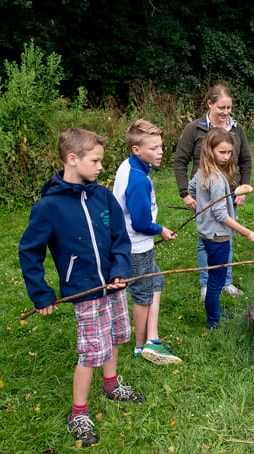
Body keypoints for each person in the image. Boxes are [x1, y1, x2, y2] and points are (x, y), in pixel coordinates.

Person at [18, 128, 145, 448]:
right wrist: (41, 293)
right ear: (72, 160)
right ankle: (79, 413)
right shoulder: (48, 207)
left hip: (113, 286)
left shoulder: (102, 196)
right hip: (84, 289)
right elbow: (29, 251)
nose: (101, 167)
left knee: (116, 335)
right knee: (91, 351)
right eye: (95, 160)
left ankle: (112, 384)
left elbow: (120, 237)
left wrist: (119, 269)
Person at [174, 84, 253, 300]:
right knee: (205, 240)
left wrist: (242, 188)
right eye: (221, 107)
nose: (226, 112)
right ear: (209, 104)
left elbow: (245, 160)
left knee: (226, 237)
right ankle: (206, 284)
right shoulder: (194, 129)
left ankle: (225, 281)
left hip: (230, 196)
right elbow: (180, 162)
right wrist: (185, 193)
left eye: (229, 108)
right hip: (204, 195)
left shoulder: (237, 130)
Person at [113, 119, 181, 365]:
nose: (160, 151)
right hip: (136, 246)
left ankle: (152, 338)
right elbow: (140, 223)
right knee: (142, 294)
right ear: (136, 150)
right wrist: (160, 229)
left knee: (157, 282)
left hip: (133, 244)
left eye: (160, 146)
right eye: (153, 148)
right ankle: (141, 346)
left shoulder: (132, 167)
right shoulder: (138, 180)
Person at [189, 128, 254, 329]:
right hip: (218, 236)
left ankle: (216, 311)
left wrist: (201, 206)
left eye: (229, 152)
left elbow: (192, 189)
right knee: (216, 281)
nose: (226, 156)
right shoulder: (217, 179)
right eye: (222, 152)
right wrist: (247, 232)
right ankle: (213, 321)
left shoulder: (202, 172)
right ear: (210, 150)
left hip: (205, 232)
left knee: (214, 276)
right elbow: (221, 215)